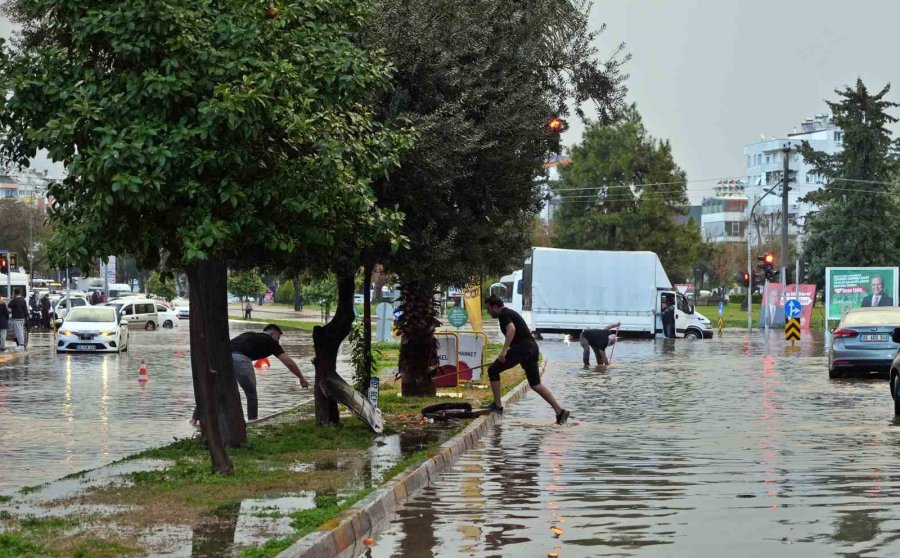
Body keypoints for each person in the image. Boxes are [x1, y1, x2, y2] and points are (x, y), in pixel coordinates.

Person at [191, 324, 309, 425]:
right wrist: (301, 378)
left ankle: (194, 419)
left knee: (212, 389)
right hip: (240, 358)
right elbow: (289, 363)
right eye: (279, 337)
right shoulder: (271, 342)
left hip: (221, 357)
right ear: (272, 333)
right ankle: (253, 422)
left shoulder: (249, 335)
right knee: (251, 393)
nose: (279, 340)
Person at [483, 295, 570, 425]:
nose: (488, 312)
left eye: (488, 309)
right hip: (532, 348)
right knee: (535, 384)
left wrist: (504, 351)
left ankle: (497, 405)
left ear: (495, 306)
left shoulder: (504, 314)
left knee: (493, 370)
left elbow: (511, 329)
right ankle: (560, 411)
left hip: (522, 348)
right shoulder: (509, 313)